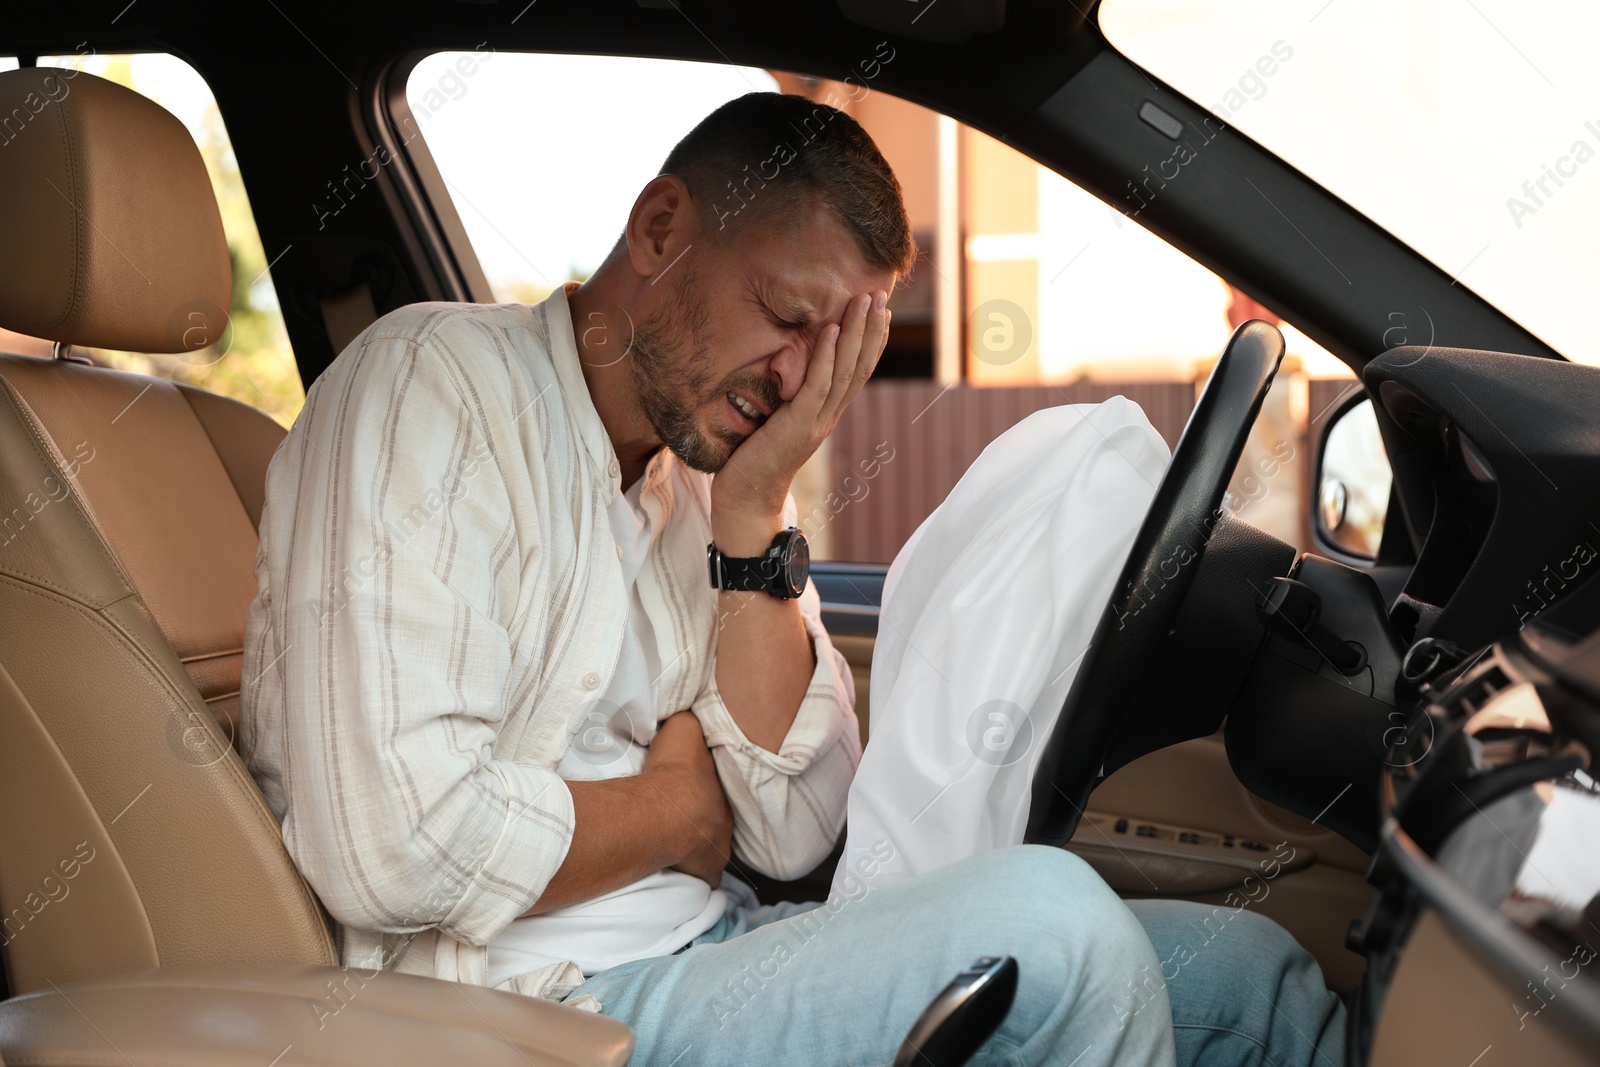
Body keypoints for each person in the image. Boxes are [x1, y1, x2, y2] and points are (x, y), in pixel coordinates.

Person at [241, 91, 1344, 1065]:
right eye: (783, 315)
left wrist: (754, 519)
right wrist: (677, 808)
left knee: (1245, 972)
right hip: (528, 1010)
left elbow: (798, 831)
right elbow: (396, 849)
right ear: (659, 227)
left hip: (711, 949)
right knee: (1050, 927)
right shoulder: (428, 390)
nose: (795, 376)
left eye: (835, 346)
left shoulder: (707, 486)